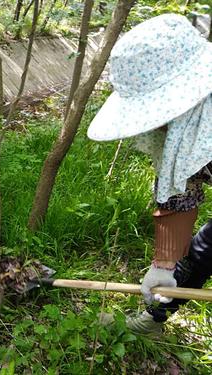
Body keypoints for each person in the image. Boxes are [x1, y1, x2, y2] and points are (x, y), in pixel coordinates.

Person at [87, 14, 211, 334]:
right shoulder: (192, 124)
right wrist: (163, 264)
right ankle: (155, 319)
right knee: (203, 249)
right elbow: (180, 189)